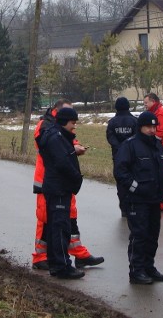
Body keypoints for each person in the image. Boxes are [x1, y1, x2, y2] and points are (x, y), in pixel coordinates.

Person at [32, 99, 104, 271]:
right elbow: (52, 148)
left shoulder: (58, 128)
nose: (73, 122)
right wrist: (73, 149)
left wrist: (75, 146)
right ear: (58, 112)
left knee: (69, 216)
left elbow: (67, 143)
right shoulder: (45, 126)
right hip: (47, 180)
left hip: (63, 180)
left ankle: (77, 251)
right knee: (47, 218)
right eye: (69, 116)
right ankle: (41, 256)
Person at [114, 111, 163, 284]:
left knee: (153, 235)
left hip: (155, 199)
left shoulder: (157, 145)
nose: (152, 130)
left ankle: (148, 267)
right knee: (140, 235)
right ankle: (136, 270)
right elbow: (120, 172)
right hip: (137, 200)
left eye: (154, 127)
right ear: (140, 127)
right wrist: (135, 188)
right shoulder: (130, 145)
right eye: (148, 127)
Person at [38, 107, 86, 279]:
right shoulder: (56, 138)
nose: (74, 127)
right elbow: (62, 163)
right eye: (73, 123)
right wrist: (76, 178)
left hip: (58, 187)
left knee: (58, 227)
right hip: (58, 188)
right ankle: (61, 266)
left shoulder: (55, 135)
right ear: (65, 121)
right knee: (59, 228)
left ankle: (58, 263)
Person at [143, 93, 163, 211]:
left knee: (160, 176)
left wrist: (148, 138)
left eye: (146, 103)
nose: (145, 105)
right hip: (160, 149)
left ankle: (160, 202)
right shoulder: (155, 112)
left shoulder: (161, 113)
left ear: (153, 101)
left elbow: (161, 132)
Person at [106, 97, 138, 216]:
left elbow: (110, 137)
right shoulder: (135, 121)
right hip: (133, 156)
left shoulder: (112, 122)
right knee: (134, 180)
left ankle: (124, 208)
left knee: (121, 182)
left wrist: (120, 148)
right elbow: (137, 137)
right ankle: (133, 206)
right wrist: (128, 147)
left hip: (118, 156)